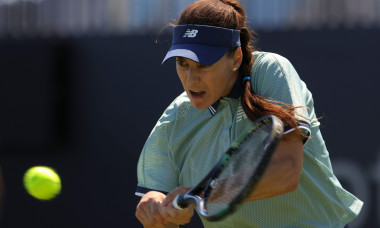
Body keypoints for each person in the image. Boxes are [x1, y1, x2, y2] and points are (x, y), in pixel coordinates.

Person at [135, 0, 363, 227]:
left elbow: (285, 172)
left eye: (204, 65)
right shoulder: (176, 117)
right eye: (182, 63)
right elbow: (159, 205)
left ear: (236, 58)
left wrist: (208, 193)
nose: (191, 79)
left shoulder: (270, 70)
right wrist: (155, 207)